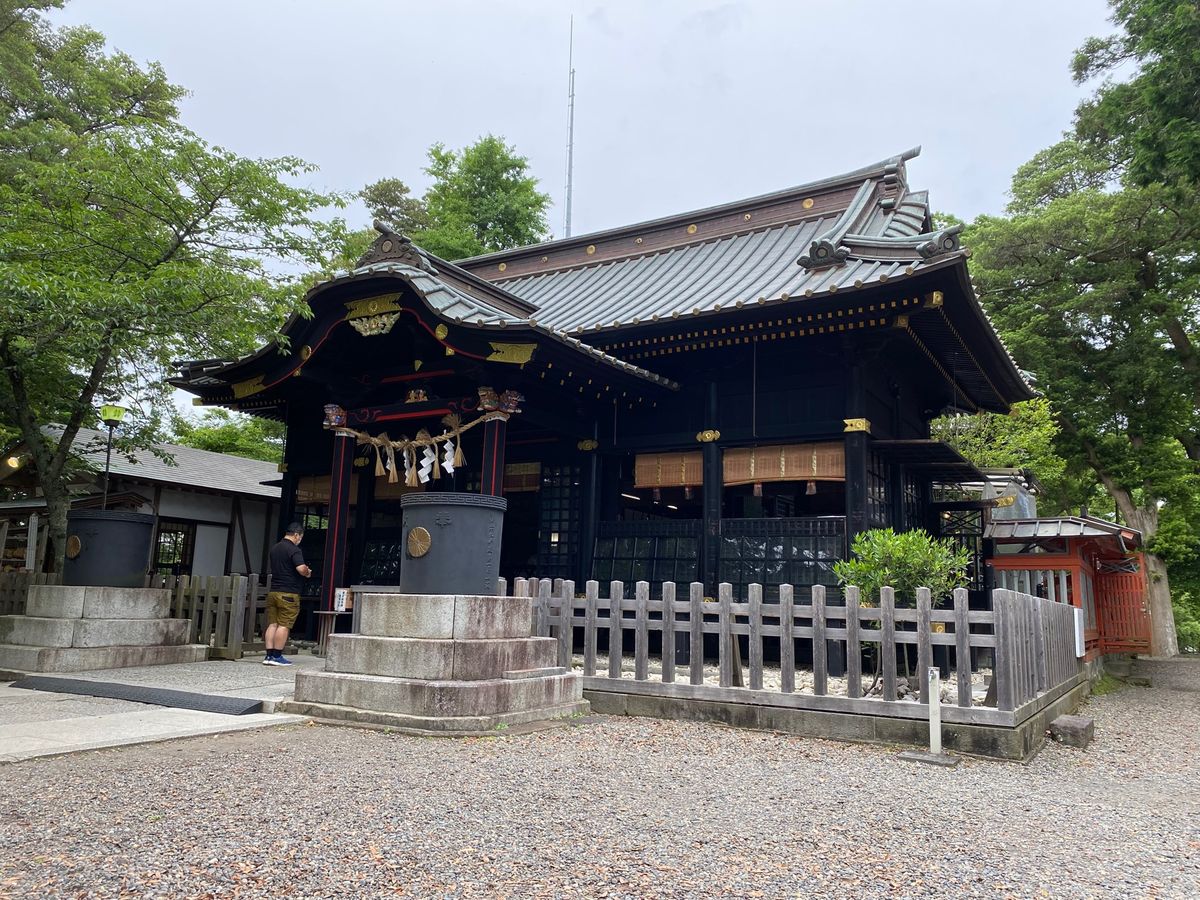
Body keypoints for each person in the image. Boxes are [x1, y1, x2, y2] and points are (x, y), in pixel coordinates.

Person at [264, 523, 311, 666]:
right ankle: (277, 656)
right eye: (300, 537)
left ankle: (268, 656)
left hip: (273, 592)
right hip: (288, 592)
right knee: (284, 625)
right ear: (296, 534)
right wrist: (308, 572)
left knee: (273, 624)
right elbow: (301, 568)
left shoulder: (275, 548)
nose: (300, 540)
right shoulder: (294, 549)